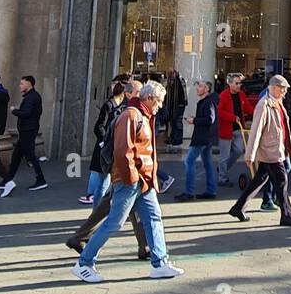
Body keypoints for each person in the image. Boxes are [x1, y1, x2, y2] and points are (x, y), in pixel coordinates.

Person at [72, 81, 183, 282]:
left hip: (143, 180)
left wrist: (148, 178)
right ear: (148, 99)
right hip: (131, 180)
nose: (160, 105)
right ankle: (84, 262)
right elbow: (123, 151)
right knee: (115, 222)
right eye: (158, 101)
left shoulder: (143, 115)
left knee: (153, 218)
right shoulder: (131, 116)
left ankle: (160, 263)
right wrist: (132, 178)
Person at [228, 75, 291, 226]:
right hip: (270, 152)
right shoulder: (264, 105)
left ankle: (238, 208)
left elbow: (283, 126)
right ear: (275, 88)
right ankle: (287, 215)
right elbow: (256, 130)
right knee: (282, 181)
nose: (285, 92)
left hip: (276, 149)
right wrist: (250, 153)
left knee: (259, 180)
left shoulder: (278, 103)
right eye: (283, 89)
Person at [83, 77, 127, 205]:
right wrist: (104, 141)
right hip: (105, 148)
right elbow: (99, 126)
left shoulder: (119, 107)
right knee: (104, 182)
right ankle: (96, 209)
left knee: (105, 182)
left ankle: (97, 208)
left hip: (110, 147)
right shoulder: (109, 106)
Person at [176, 80, 218, 201]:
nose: (197, 88)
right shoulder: (206, 102)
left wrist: (193, 121)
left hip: (201, 138)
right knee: (207, 163)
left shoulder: (208, 102)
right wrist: (195, 119)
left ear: (207, 89)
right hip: (206, 137)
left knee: (189, 162)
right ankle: (211, 190)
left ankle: (189, 192)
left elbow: (210, 119)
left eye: (200, 86)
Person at [5, 75, 48, 191]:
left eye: (22, 83)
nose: (20, 86)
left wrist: (14, 111)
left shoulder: (31, 97)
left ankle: (40, 180)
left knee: (30, 156)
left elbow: (26, 113)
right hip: (27, 130)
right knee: (16, 156)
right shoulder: (32, 96)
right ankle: (8, 179)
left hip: (28, 130)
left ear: (29, 84)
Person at [216, 72, 253, 186]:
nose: (239, 85)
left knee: (238, 150)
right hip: (226, 130)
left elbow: (247, 107)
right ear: (230, 83)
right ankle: (222, 178)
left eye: (239, 83)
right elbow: (219, 112)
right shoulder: (223, 95)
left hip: (238, 128)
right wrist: (232, 118)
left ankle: (223, 168)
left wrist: (257, 114)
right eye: (236, 83)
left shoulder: (241, 95)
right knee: (224, 156)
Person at [166, 70, 187, 147]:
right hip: (176, 105)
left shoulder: (178, 82)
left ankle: (177, 139)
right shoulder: (176, 82)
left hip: (178, 105)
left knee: (177, 122)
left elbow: (181, 94)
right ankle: (174, 138)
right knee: (174, 122)